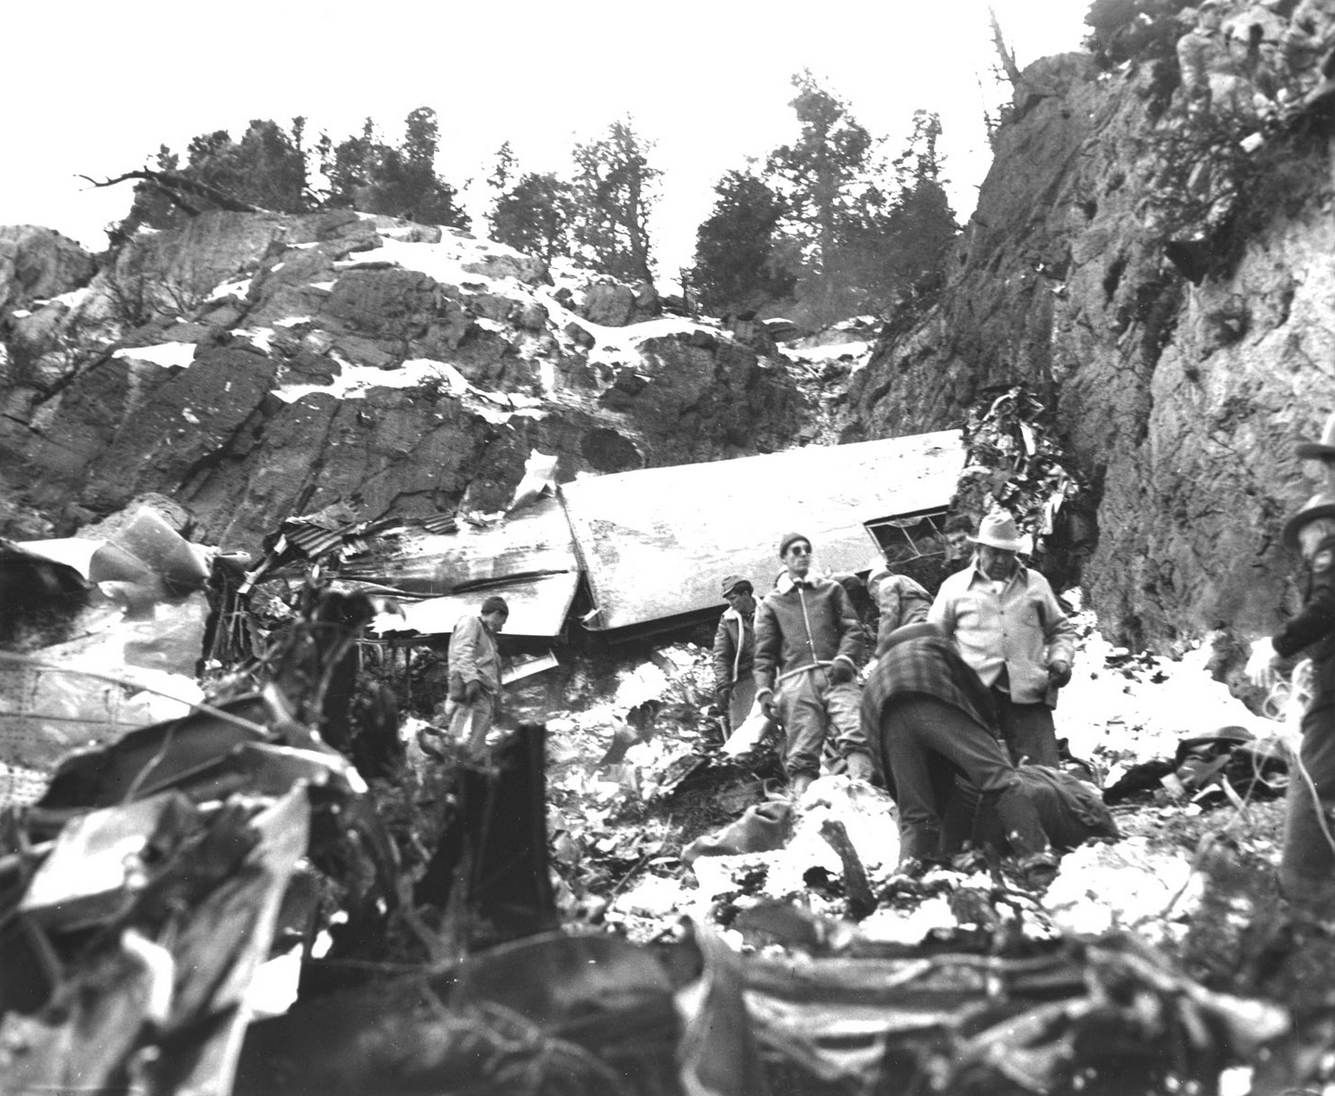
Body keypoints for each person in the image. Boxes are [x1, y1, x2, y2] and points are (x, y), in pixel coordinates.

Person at [860, 621, 1058, 886]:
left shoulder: (876, 676)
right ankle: (1037, 861)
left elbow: (874, 743)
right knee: (1000, 780)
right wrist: (988, 736)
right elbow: (973, 690)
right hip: (933, 701)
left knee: (916, 813)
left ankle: (910, 877)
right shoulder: (934, 646)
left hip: (889, 724)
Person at [929, 511, 1076, 768]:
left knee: (1044, 775)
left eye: (1007, 553)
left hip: (1029, 697)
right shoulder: (953, 588)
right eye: (993, 552)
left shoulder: (1036, 584)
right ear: (979, 548)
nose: (1000, 560)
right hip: (975, 702)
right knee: (985, 779)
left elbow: (1060, 630)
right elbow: (933, 640)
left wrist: (1060, 659)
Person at [1247, 491, 1335, 920]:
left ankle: (1305, 905)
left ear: (1319, 529)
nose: (1304, 552)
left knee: (1313, 785)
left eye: (1304, 541)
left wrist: (1277, 647)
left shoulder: (1330, 552)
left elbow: (1328, 606)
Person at [754, 532, 875, 795]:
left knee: (856, 730)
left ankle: (865, 794)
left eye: (806, 550)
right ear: (783, 559)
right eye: (795, 551)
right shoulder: (772, 604)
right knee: (802, 750)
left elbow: (852, 629)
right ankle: (803, 808)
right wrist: (764, 690)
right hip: (796, 682)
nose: (802, 555)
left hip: (837, 674)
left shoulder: (830, 590)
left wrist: (845, 658)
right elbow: (764, 653)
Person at [442, 595, 508, 757]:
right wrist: (471, 680)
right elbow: (462, 651)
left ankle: (468, 766)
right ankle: (456, 766)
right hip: (470, 689)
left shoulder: (488, 636)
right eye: (502, 621)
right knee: (461, 734)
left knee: (475, 737)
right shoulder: (471, 622)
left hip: (482, 691)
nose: (501, 627)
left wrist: (497, 692)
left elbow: (492, 667)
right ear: (497, 614)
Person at [713, 575, 758, 733]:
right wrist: (723, 684)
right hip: (745, 677)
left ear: (746, 594)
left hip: (773, 671)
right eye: (729, 600)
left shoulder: (768, 610)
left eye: (734, 598)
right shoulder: (728, 620)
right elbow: (721, 655)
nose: (731, 603)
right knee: (740, 729)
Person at [866, 556, 932, 658]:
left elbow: (889, 614)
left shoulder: (886, 583)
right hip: (930, 626)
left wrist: (881, 649)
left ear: (875, 583)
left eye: (873, 596)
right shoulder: (905, 580)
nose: (876, 601)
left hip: (914, 632)